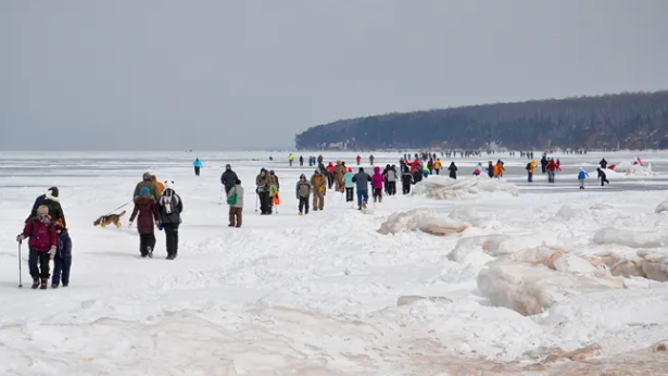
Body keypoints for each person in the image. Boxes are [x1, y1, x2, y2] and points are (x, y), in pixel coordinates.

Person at [18, 205, 57, 289]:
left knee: (44, 265)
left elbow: (53, 236)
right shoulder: (32, 221)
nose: (42, 214)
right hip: (34, 246)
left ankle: (44, 279)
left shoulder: (49, 223)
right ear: (38, 213)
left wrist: (53, 246)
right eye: (40, 213)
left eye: (44, 213)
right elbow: (26, 232)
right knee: (32, 263)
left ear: (47, 213)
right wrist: (22, 236)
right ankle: (35, 278)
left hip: (45, 247)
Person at [128, 187, 160, 258]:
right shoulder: (151, 201)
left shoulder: (138, 201)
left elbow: (135, 212)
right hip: (149, 220)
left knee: (142, 238)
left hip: (140, 221)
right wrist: (157, 220)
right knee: (151, 237)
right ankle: (150, 246)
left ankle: (143, 252)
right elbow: (155, 212)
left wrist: (131, 220)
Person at [157, 181, 183, 260]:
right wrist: (176, 213)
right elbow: (180, 207)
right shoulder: (176, 196)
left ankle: (170, 253)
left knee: (169, 236)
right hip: (175, 220)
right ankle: (175, 252)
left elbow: (158, 208)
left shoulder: (161, 197)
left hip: (166, 221)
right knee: (175, 235)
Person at [51, 223, 72, 288]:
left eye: (59, 230)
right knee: (57, 270)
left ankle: (65, 282)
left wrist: (67, 252)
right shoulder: (54, 237)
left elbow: (68, 245)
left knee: (66, 270)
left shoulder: (66, 237)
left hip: (66, 256)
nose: (57, 231)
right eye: (56, 230)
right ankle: (55, 282)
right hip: (57, 257)